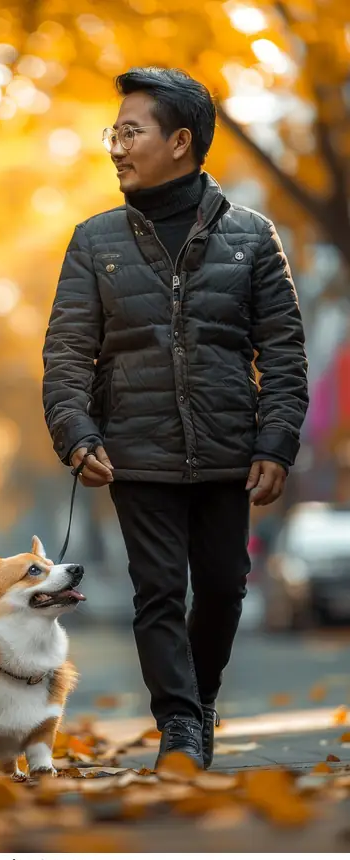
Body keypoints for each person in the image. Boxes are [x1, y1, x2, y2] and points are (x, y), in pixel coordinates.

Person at [42, 67, 309, 769]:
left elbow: (283, 349)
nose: (116, 146)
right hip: (135, 449)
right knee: (157, 589)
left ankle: (200, 698)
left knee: (222, 586)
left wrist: (277, 440)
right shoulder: (93, 242)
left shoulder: (253, 237)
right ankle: (180, 728)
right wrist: (76, 433)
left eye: (130, 131)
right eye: (115, 132)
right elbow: (67, 352)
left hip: (229, 449)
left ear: (181, 141)